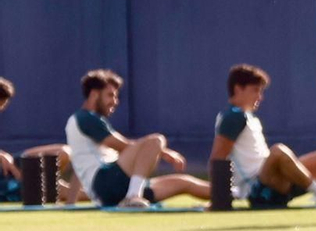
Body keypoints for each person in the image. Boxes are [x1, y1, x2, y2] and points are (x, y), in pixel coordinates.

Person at [210, 64, 316, 209]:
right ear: (238, 89)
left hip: (276, 179)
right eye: (255, 90)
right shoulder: (233, 116)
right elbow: (217, 157)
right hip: (256, 189)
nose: (260, 97)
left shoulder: (249, 117)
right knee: (278, 151)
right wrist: (219, 199)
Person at [63, 69, 210, 208]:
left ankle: (229, 193)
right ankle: (133, 197)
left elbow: (79, 167)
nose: (115, 101)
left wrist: (70, 202)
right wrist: (163, 152)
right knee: (156, 140)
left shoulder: (82, 121)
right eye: (110, 95)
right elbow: (123, 145)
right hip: (108, 183)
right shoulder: (86, 118)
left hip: (114, 187)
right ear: (94, 94)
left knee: (184, 183)